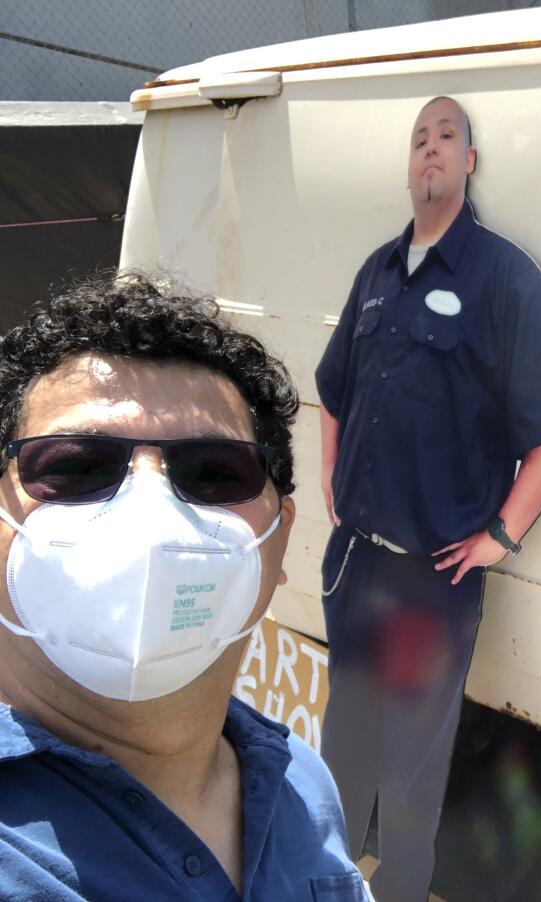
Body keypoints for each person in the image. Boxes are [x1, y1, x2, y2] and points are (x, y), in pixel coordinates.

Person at [0, 274, 368, 901]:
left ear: (279, 543)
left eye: (214, 473)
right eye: (75, 465)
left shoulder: (301, 781)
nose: (151, 510)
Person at [315, 95, 541, 900]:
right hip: (356, 562)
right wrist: (334, 477)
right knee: (346, 733)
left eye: (447, 137)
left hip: (433, 575)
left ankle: (400, 888)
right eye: (418, 140)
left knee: (411, 758)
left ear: (470, 163)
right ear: (410, 168)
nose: (430, 150)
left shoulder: (503, 276)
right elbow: (333, 390)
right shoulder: (374, 273)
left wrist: (500, 537)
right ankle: (328, 875)